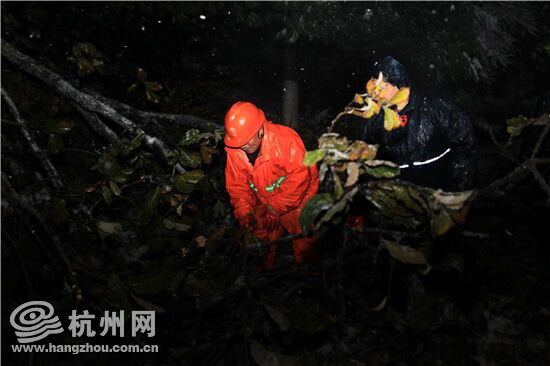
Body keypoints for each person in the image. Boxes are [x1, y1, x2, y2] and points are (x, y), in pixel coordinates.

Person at [343, 56, 478, 191]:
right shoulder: (377, 119)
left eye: (384, 86)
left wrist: (458, 188)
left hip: (441, 192)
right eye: (376, 88)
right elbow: (368, 159)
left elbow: (465, 145)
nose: (378, 93)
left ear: (399, 84)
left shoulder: (434, 106)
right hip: (404, 198)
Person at [224, 101, 320, 269]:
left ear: (260, 130)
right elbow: (237, 187)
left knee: (303, 236)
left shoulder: (285, 141)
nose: (242, 146)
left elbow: (300, 178)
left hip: (300, 195)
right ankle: (261, 279)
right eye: (238, 142)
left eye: (246, 140)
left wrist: (276, 208)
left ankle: (309, 280)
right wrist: (245, 212)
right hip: (264, 197)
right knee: (258, 238)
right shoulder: (235, 151)